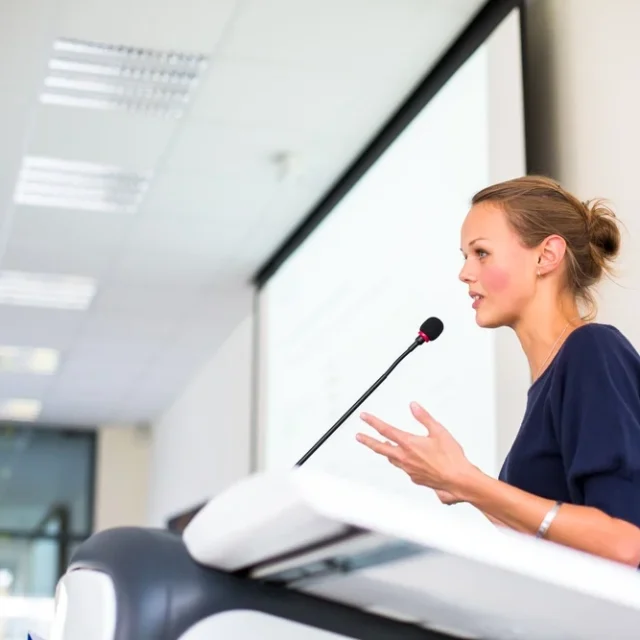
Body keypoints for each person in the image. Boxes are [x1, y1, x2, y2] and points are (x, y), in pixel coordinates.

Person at [356, 175, 640, 568]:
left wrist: (468, 481)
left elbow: (626, 543)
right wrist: (462, 486)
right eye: (464, 256)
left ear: (546, 256)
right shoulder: (551, 379)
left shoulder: (592, 351)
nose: (464, 273)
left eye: (482, 253)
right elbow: (554, 551)